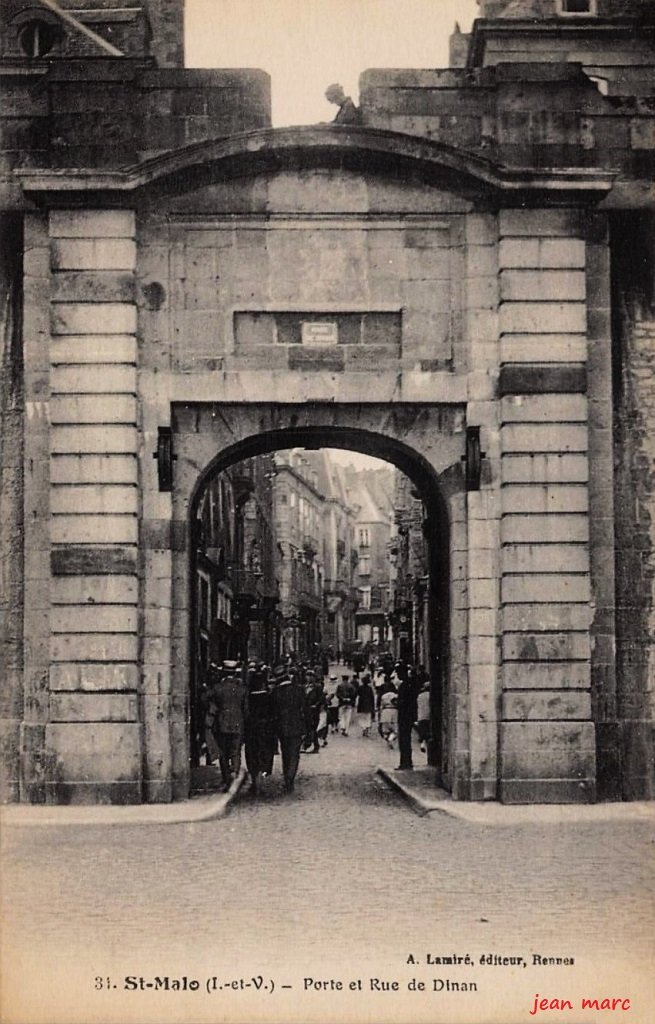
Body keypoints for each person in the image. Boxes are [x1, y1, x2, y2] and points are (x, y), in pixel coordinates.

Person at [211, 665, 249, 791]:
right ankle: (235, 772)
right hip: (238, 724)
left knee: (223, 753)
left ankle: (226, 778)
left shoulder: (218, 688)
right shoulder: (242, 689)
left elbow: (206, 699)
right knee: (235, 751)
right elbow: (246, 710)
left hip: (222, 724)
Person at [271, 663, 307, 793]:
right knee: (294, 754)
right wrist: (307, 728)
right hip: (297, 727)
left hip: (281, 728)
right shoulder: (299, 690)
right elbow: (305, 710)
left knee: (285, 753)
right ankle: (290, 778)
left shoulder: (275, 693)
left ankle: (287, 778)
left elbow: (273, 712)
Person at [244, 668, 277, 795]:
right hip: (266, 731)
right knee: (265, 754)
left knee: (252, 755)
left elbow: (246, 714)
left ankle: (254, 780)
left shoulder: (249, 698)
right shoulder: (268, 697)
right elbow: (273, 714)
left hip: (252, 731)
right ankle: (262, 779)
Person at [396, 670, 418, 770]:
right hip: (409, 716)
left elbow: (403, 701)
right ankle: (407, 762)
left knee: (404, 740)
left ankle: (405, 763)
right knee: (406, 739)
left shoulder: (404, 686)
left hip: (404, 716)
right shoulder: (411, 685)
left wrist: (397, 703)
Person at [303, 671, 325, 754]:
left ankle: (314, 746)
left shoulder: (318, 687)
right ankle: (308, 745)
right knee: (307, 728)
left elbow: (321, 698)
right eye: (307, 676)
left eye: (310, 676)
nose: (308, 678)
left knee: (313, 728)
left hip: (314, 711)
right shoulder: (305, 687)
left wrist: (316, 705)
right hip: (306, 711)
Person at [415, 678, 431, 759]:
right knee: (429, 733)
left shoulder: (420, 696)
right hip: (429, 716)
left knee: (423, 733)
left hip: (420, 716)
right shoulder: (431, 696)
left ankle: (423, 744)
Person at [356, 673, 375, 738]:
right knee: (367, 718)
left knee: (362, 717)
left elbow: (357, 696)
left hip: (361, 704)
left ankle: (364, 729)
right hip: (368, 704)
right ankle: (366, 729)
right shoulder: (369, 689)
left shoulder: (360, 688)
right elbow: (372, 698)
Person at [378, 685, 397, 749]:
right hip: (394, 711)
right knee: (395, 730)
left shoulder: (383, 696)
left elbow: (381, 706)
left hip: (385, 711)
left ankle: (387, 738)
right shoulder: (396, 695)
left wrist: (380, 714)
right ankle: (391, 739)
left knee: (385, 730)